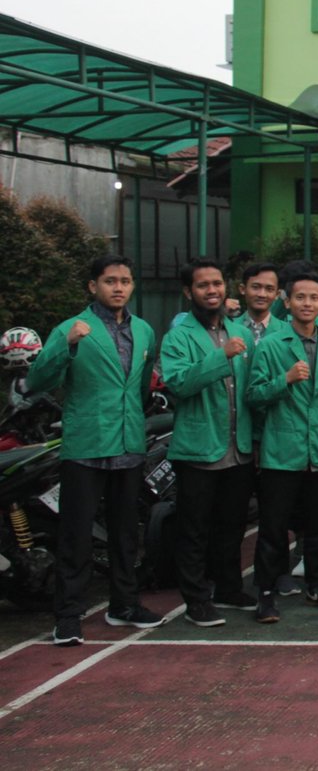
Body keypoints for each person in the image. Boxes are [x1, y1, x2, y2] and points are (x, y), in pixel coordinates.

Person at [33, 255, 161, 646]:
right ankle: (68, 616)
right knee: (77, 535)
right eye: (110, 281)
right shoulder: (71, 328)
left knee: (125, 533)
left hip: (128, 444)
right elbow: (39, 380)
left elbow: (141, 386)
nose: (118, 287)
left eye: (125, 280)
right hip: (85, 444)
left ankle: (124, 604)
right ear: (93, 286)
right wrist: (66, 346)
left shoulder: (143, 331)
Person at [247, 273, 318, 622]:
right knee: (274, 527)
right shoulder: (271, 345)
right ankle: (265, 593)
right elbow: (254, 395)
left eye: (313, 298)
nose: (307, 304)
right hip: (282, 452)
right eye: (300, 297)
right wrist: (286, 379)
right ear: (287, 302)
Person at [161, 258, 259, 626]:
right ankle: (196, 599)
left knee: (232, 526)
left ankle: (229, 588)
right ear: (189, 292)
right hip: (198, 449)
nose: (212, 290)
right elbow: (179, 384)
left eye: (217, 283)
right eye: (203, 285)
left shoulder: (240, 331)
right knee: (194, 530)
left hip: (238, 447)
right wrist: (222, 356)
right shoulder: (178, 336)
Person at [238, 262, 283, 344]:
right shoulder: (228, 328)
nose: (262, 294)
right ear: (243, 289)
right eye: (255, 287)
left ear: (277, 294)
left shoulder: (287, 331)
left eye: (269, 289)